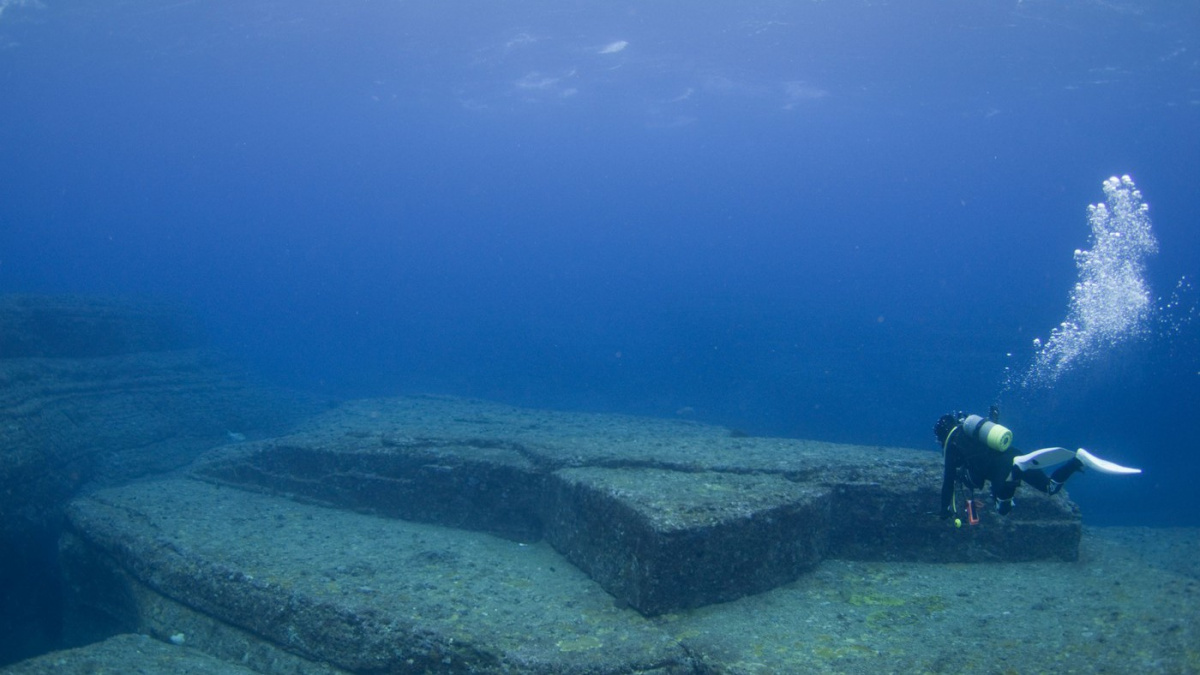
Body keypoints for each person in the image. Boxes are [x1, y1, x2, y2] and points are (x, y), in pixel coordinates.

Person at [933, 408, 1140, 523]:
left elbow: (948, 483)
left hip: (1002, 470)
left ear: (942, 435)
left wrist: (944, 509)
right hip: (1015, 454)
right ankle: (1077, 460)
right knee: (1050, 487)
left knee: (1003, 509)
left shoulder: (953, 444)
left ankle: (1017, 472)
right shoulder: (973, 429)